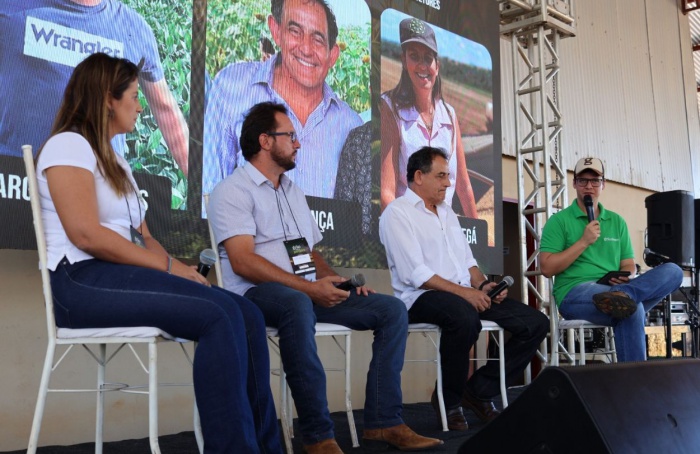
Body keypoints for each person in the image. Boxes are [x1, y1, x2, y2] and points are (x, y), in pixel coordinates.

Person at [35, 53, 280, 453]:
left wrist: (181, 270)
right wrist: (168, 267)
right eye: (133, 94)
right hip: (79, 281)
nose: (140, 103)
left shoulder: (116, 158)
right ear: (108, 99)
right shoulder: (69, 144)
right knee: (218, 316)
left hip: (115, 276)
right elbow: (86, 235)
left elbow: (145, 237)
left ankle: (267, 447)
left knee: (247, 312)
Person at [208, 102, 442, 453]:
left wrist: (337, 282)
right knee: (297, 303)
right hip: (258, 296)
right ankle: (318, 436)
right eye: (290, 136)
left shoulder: (292, 191)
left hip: (305, 292)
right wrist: (309, 289)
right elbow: (243, 262)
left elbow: (309, 253)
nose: (298, 143)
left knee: (391, 310)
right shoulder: (233, 190)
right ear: (265, 141)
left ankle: (384, 422)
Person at [379, 147, 548, 431]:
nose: (448, 183)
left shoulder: (447, 212)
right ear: (419, 176)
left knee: (535, 323)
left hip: (461, 294)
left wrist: (482, 285)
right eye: (441, 176)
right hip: (420, 297)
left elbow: (467, 262)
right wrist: (468, 294)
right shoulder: (397, 213)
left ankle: (479, 391)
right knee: (464, 317)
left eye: (449, 176)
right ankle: (450, 401)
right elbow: (416, 274)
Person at [0, 0, 189, 175]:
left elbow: (166, 110)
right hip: (18, 192)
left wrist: (201, 196)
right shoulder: (9, 9)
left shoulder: (135, 29)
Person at [202, 0, 362, 202]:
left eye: (318, 39)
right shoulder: (230, 88)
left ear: (332, 55)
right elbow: (207, 198)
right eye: (295, 31)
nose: (306, 48)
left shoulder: (352, 126)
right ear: (276, 31)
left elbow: (353, 222)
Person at [540, 157, 683, 362]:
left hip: (611, 288)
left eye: (595, 180)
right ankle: (634, 387)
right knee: (632, 309)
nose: (589, 186)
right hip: (575, 292)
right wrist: (583, 241)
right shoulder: (559, 221)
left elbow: (627, 264)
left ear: (603, 184)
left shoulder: (617, 221)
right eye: (583, 180)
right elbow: (546, 268)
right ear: (574, 184)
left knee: (674, 271)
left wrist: (627, 276)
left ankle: (623, 294)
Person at [380, 17, 477, 218]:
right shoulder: (391, 108)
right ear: (404, 62)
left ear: (437, 66)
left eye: (427, 58)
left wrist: (482, 242)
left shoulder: (450, 115)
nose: (422, 65)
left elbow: (463, 185)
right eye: (414, 56)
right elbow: (387, 193)